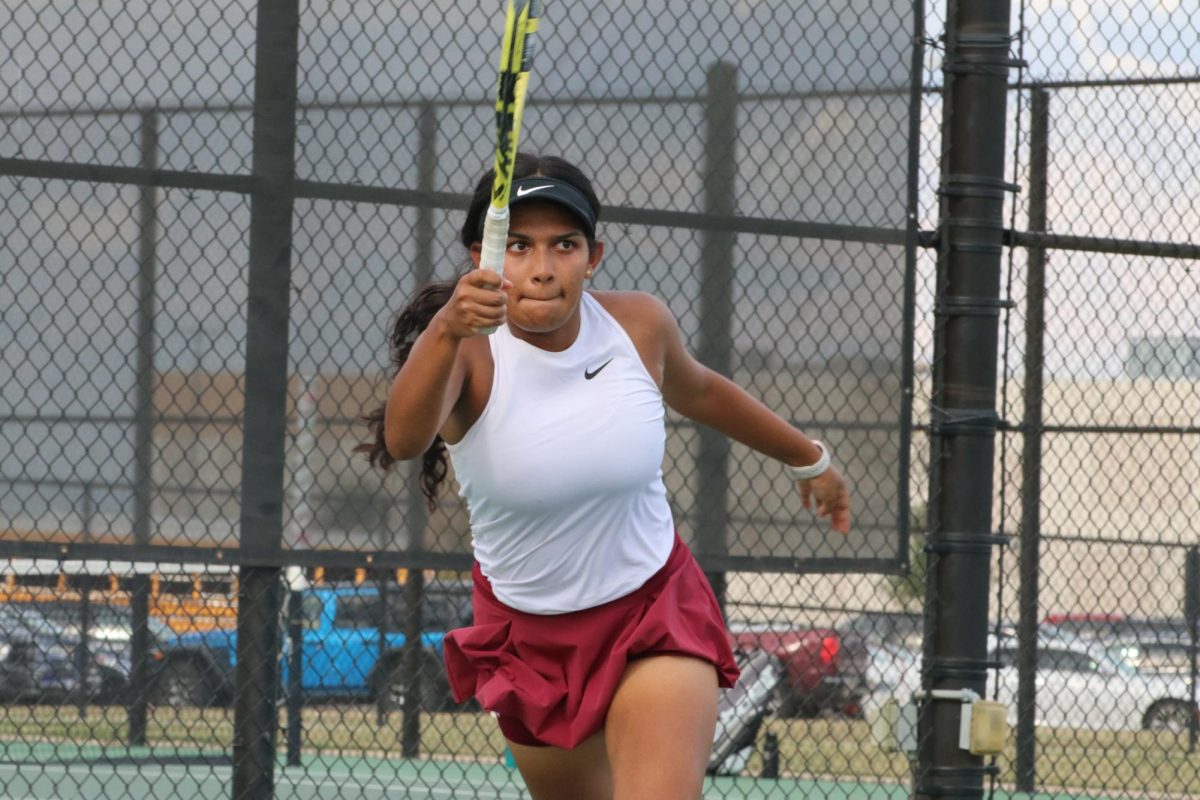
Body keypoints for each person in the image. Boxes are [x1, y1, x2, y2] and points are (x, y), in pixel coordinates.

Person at [359, 153, 851, 800]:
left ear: (593, 257)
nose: (541, 267)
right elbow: (405, 437)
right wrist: (447, 328)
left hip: (653, 609)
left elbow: (701, 391)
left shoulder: (638, 325)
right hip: (527, 634)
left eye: (565, 245)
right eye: (520, 246)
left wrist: (809, 458)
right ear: (483, 255)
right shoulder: (465, 350)